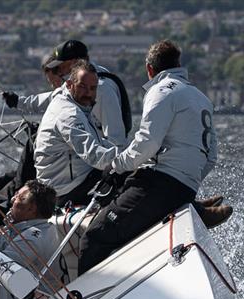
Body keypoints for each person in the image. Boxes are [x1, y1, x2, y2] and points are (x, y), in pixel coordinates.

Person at [78, 40, 232, 275]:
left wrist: (116, 165)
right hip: (186, 186)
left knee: (96, 235)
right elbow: (210, 157)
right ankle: (192, 206)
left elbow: (146, 145)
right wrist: (186, 179)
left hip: (159, 184)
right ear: (178, 65)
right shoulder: (201, 98)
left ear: (150, 69)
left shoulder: (161, 91)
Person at [34, 61, 121, 207]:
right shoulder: (70, 114)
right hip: (63, 191)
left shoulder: (72, 104)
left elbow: (99, 144)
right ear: (69, 84)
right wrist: (133, 160)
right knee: (125, 173)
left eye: (93, 88)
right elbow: (95, 156)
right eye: (82, 86)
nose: (88, 93)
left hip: (61, 183)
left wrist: (133, 153)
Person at [44, 39, 132, 146]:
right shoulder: (91, 77)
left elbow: (116, 138)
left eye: (62, 65)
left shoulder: (102, 89)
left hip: (103, 156)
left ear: (75, 63)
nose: (60, 71)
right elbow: (55, 97)